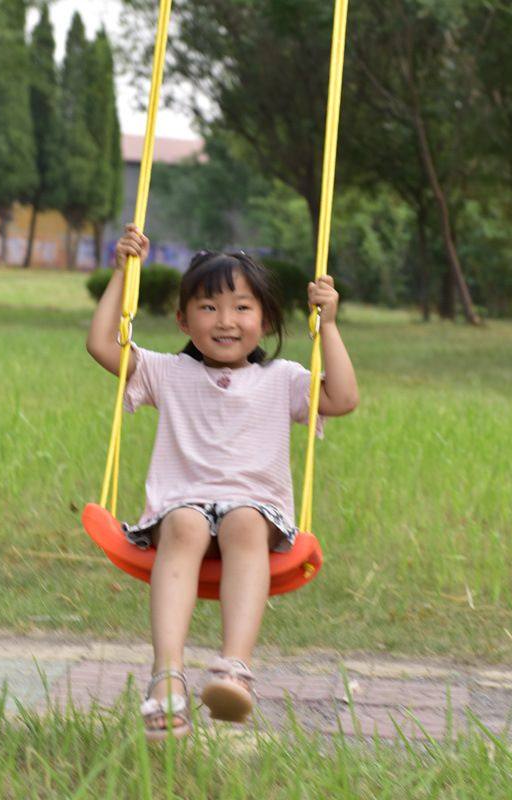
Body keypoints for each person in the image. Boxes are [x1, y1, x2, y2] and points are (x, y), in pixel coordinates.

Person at [86, 223, 359, 740]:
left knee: (243, 521)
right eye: (208, 307)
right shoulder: (166, 372)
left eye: (242, 307)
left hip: (255, 513)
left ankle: (234, 670)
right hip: (181, 508)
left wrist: (329, 328)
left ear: (266, 319)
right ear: (184, 319)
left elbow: (342, 399)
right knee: (187, 523)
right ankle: (166, 677)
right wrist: (123, 274)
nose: (225, 320)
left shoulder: (282, 380)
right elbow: (102, 343)